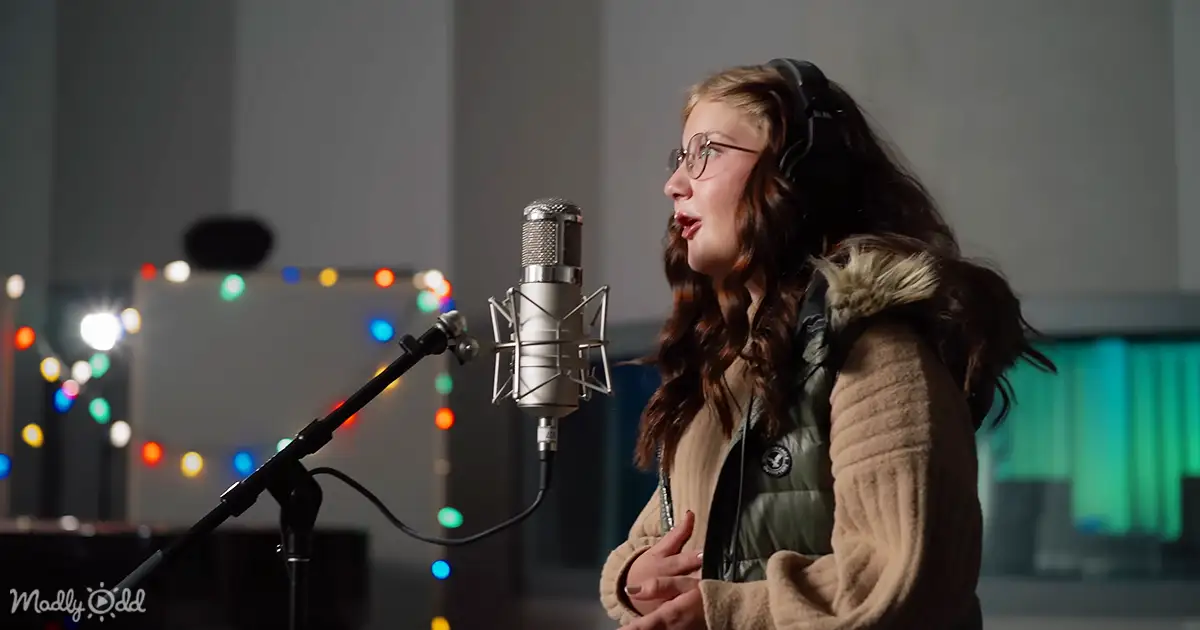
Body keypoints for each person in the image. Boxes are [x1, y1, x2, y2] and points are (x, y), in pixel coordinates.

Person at [597, 58, 1055, 630]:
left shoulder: (876, 350)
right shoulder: (734, 366)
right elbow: (661, 535)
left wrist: (725, 614)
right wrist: (630, 576)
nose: (675, 184)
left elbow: (907, 575)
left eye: (706, 152)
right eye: (680, 158)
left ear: (797, 172)